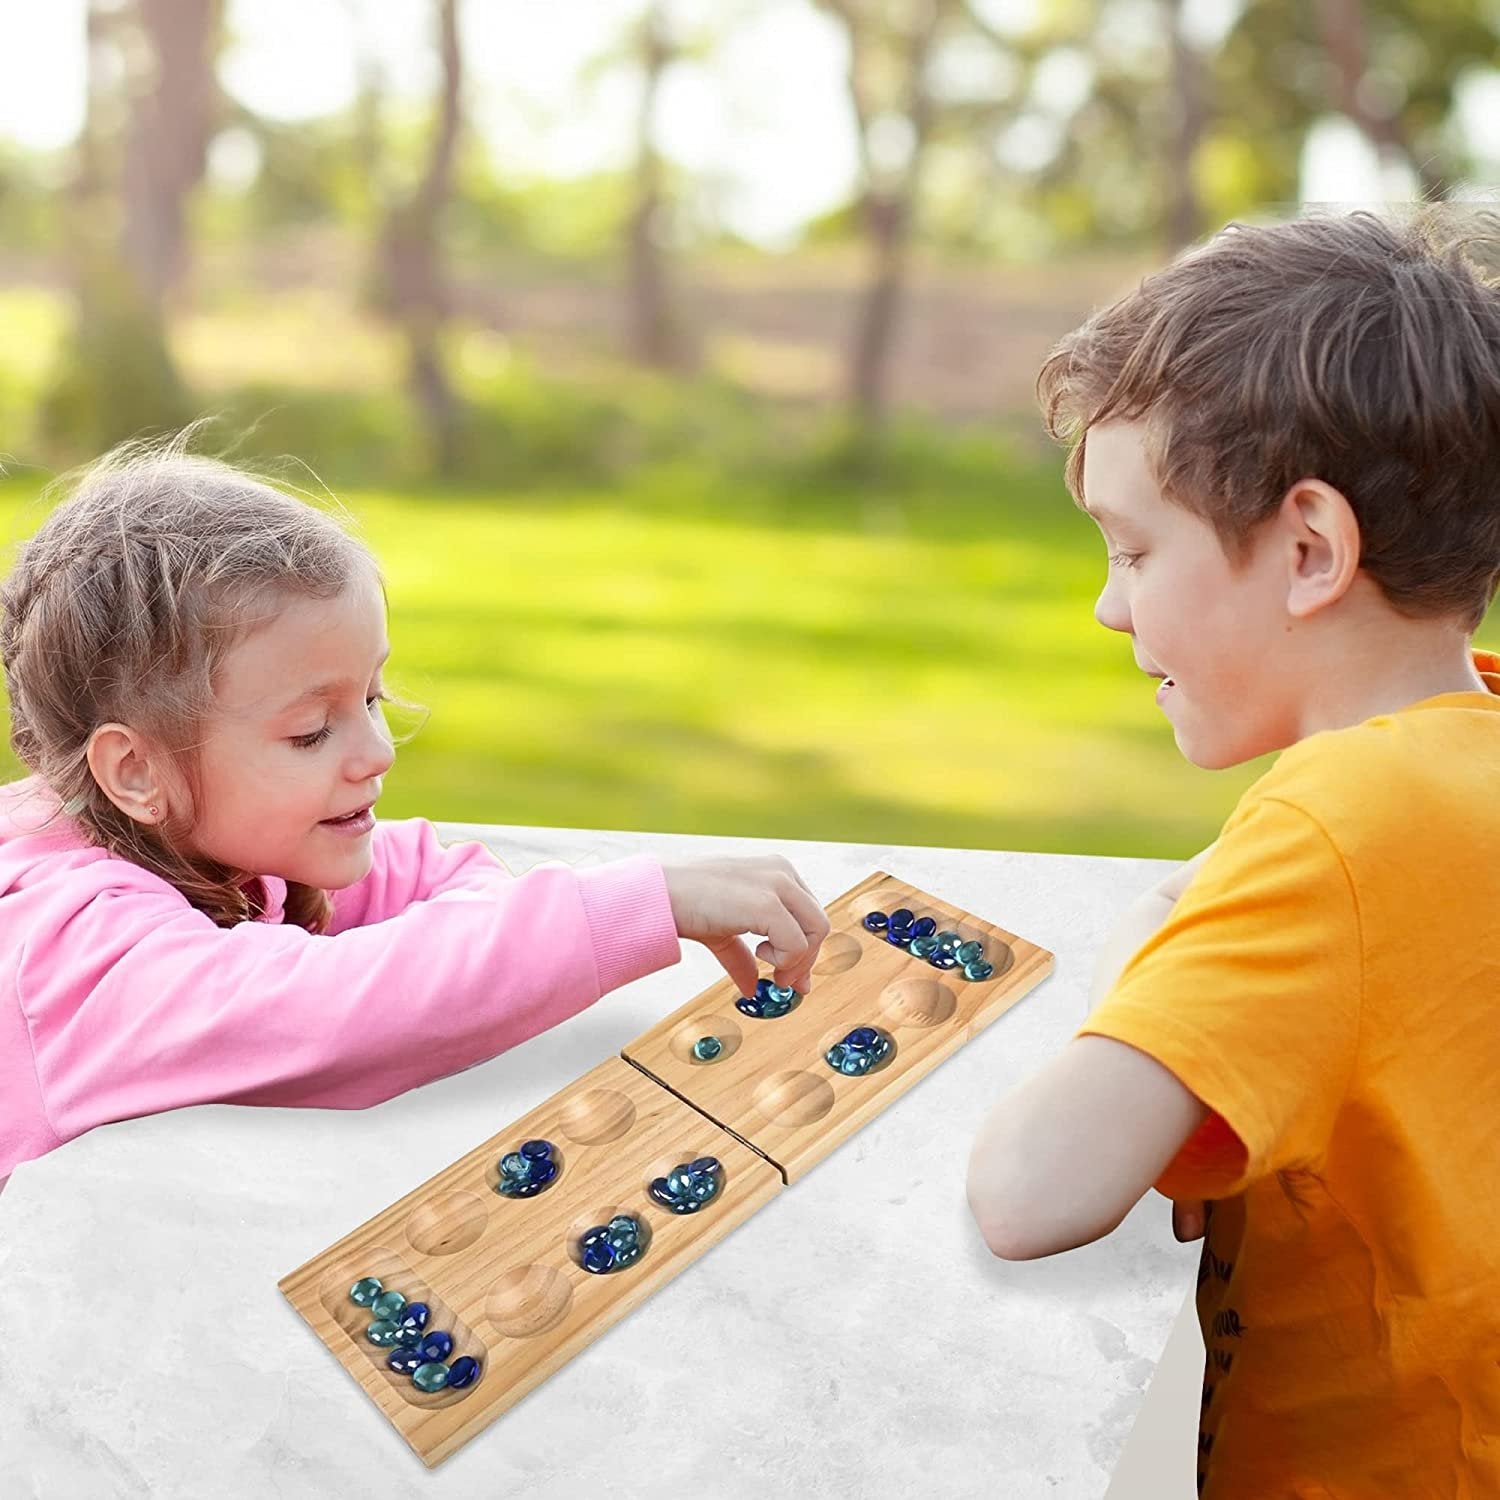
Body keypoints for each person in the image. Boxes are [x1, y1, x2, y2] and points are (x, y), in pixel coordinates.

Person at [965, 208, 1500, 1497]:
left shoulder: (1333, 827)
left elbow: (1032, 1193)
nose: (1107, 605)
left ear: (1310, 550)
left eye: (1136, 548)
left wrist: (1145, 958)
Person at [0, 436, 829, 1191]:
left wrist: (473, 961)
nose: (377, 753)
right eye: (312, 731)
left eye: (373, 697)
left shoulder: (202, 836)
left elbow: (441, 879)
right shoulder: (74, 950)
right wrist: (633, 908)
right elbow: (323, 1015)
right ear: (135, 769)